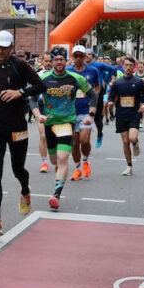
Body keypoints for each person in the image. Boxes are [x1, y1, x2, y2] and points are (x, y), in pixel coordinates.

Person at [0, 30, 44, 235]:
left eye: (4, 48)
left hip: (17, 126)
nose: (0, 51)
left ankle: (25, 189)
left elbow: (42, 86)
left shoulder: (20, 65)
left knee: (17, 170)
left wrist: (19, 92)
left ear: (11, 47)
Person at [37, 47, 97, 211]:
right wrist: (38, 114)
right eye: (55, 59)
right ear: (52, 61)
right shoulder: (44, 78)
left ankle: (56, 194)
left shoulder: (75, 78)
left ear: (66, 61)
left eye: (61, 59)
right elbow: (33, 99)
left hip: (66, 123)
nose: (58, 62)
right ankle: (59, 179)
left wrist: (90, 114)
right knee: (55, 161)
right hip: (50, 123)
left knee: (63, 159)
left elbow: (93, 95)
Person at [107, 56, 144, 176]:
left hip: (134, 114)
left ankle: (135, 143)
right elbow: (111, 96)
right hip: (121, 115)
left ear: (134, 67)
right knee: (125, 142)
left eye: (131, 65)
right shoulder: (117, 83)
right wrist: (110, 102)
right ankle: (129, 166)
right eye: (126, 65)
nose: (128, 67)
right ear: (123, 66)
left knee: (132, 138)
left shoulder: (139, 82)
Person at [66, 45, 102, 181]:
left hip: (86, 110)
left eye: (81, 55)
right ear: (73, 57)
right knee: (74, 144)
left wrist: (93, 97)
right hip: (71, 111)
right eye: (76, 56)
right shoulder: (67, 71)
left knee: (84, 140)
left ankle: (86, 160)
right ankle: (77, 168)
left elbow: (98, 86)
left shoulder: (93, 70)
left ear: (85, 57)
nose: (79, 58)